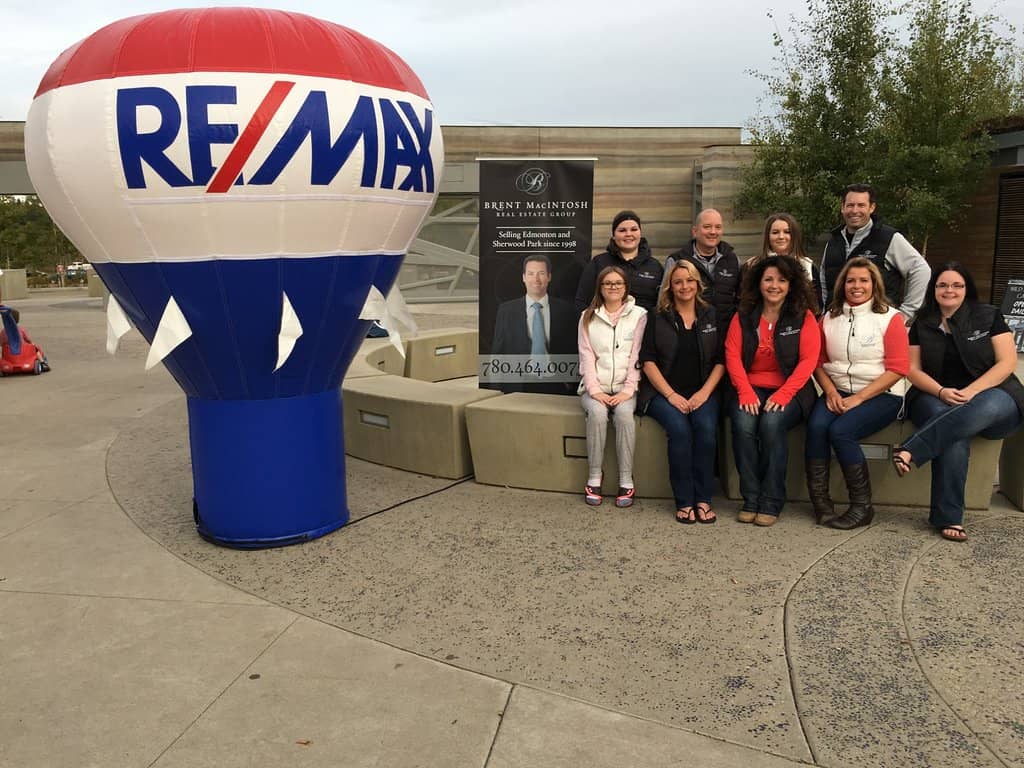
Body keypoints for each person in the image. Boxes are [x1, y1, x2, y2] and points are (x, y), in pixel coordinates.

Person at [892, 263, 1024, 541]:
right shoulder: (922, 322)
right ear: (933, 289)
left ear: (967, 289)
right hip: (934, 395)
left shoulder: (988, 316)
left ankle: (912, 450)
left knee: (982, 407)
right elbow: (913, 370)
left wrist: (973, 391)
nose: (949, 290)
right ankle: (949, 518)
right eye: (942, 285)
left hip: (993, 395)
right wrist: (941, 392)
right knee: (953, 433)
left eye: (956, 285)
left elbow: (1007, 362)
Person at [806, 257, 910, 529]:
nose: (857, 286)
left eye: (864, 280)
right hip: (837, 389)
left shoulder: (891, 318)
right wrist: (829, 392)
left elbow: (899, 368)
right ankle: (821, 503)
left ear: (874, 284)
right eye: (851, 280)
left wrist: (859, 399)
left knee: (840, 431)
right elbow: (816, 361)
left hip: (882, 395)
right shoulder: (829, 317)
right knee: (817, 426)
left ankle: (862, 507)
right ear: (842, 284)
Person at [725, 255, 820, 526]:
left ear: (791, 285)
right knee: (743, 424)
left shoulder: (803, 317)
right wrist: (744, 392)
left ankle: (771, 500)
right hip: (750, 388)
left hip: (791, 392)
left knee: (771, 422)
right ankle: (751, 498)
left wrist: (783, 394)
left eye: (781, 280)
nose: (774, 285)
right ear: (759, 282)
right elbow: (732, 355)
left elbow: (808, 361)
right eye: (768, 279)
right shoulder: (743, 316)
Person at [638, 260, 725, 524]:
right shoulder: (657, 316)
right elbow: (648, 361)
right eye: (678, 282)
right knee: (680, 431)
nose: (684, 286)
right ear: (670, 286)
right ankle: (685, 500)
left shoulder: (711, 315)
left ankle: (703, 499)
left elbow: (722, 360)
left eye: (689, 280)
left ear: (697, 284)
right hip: (662, 393)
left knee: (706, 431)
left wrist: (704, 393)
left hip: (703, 391)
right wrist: (671, 396)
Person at [578, 266, 648, 507]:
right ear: (600, 287)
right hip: (594, 388)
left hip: (625, 387)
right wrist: (594, 390)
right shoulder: (588, 316)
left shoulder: (640, 315)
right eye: (608, 283)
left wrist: (628, 390)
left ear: (626, 286)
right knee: (597, 413)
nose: (613, 287)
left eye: (618, 283)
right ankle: (594, 477)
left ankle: (626, 480)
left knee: (625, 415)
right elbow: (586, 356)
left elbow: (637, 356)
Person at [820, 184, 931, 321]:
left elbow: (921, 270)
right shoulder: (833, 242)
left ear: (872, 207)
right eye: (850, 205)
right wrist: (825, 314)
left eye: (861, 205)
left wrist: (906, 313)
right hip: (838, 324)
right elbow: (824, 283)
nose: (855, 210)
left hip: (878, 326)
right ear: (842, 208)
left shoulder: (888, 238)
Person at [491, 254, 577, 394]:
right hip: (518, 384)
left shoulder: (565, 310)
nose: (536, 279)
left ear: (549, 276)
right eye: (531, 274)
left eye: (541, 273)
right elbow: (497, 353)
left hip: (557, 383)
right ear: (524, 277)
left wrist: (572, 383)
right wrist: (495, 391)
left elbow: (575, 349)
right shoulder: (507, 310)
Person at [663, 208, 741, 335]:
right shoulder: (676, 260)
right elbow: (664, 301)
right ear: (695, 231)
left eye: (718, 227)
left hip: (726, 334)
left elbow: (740, 299)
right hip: (690, 335)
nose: (713, 232)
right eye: (707, 227)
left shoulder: (733, 260)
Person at [575, 211, 664, 314]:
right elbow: (582, 302)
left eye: (634, 229)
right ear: (613, 235)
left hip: (645, 327)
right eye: (622, 230)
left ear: (640, 233)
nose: (628, 234)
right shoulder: (598, 263)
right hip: (604, 327)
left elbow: (662, 304)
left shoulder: (655, 267)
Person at [742, 213, 822, 312]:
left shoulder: (808, 266)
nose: (781, 236)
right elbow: (744, 302)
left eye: (787, 232)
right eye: (775, 232)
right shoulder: (753, 265)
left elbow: (817, 306)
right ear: (768, 236)